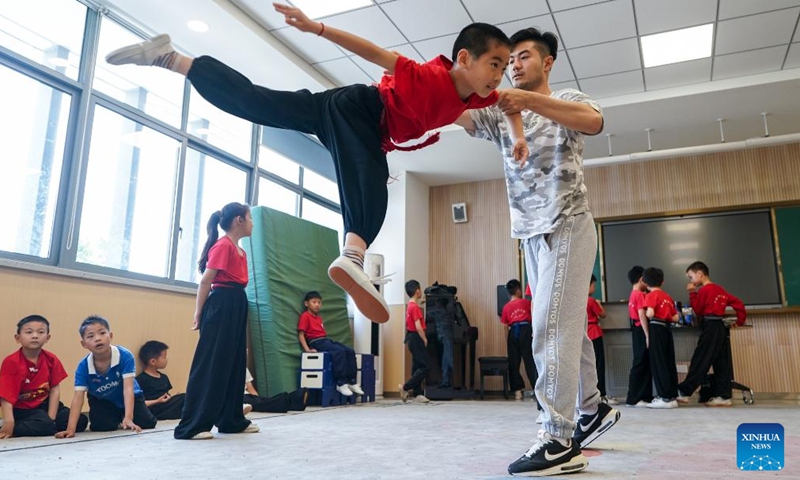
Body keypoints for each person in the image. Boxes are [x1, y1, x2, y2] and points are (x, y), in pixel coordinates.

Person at [103, 3, 528, 325]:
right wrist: (317, 28)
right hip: (358, 108)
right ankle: (352, 258)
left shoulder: (481, 97)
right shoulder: (428, 75)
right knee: (373, 182)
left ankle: (173, 59)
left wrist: (519, 137)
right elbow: (374, 51)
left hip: (338, 112)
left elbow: (509, 106)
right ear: (465, 58)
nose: (500, 75)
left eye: (506, 67)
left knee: (258, 103)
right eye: (495, 64)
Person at [456, 27, 618, 476]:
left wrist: (527, 101)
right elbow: (456, 112)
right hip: (530, 235)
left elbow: (594, 121)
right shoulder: (499, 114)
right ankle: (593, 408)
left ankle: (557, 439)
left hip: (568, 222)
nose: (513, 66)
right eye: (509, 61)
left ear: (546, 63)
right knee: (568, 328)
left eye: (523, 57)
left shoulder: (565, 99)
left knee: (548, 329)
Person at [174, 202, 258, 440]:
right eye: (250, 218)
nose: (252, 223)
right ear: (238, 220)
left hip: (236, 304)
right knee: (211, 365)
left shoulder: (240, 250)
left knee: (234, 364)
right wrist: (198, 313)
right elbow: (205, 281)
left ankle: (231, 420)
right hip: (221, 304)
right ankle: (192, 426)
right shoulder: (223, 246)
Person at [56, 316, 157, 437]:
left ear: (111, 336)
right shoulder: (83, 367)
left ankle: (126, 415)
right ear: (84, 344)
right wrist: (70, 429)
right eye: (90, 336)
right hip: (102, 399)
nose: (97, 339)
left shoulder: (124, 355)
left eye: (102, 333)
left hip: (130, 396)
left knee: (147, 423)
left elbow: (128, 388)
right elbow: (78, 398)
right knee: (101, 427)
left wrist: (129, 417)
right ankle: (116, 416)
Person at [0, 315, 87, 438]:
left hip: (45, 404)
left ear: (47, 337)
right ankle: (17, 427)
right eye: (29, 332)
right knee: (45, 425)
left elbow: (55, 389)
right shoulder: (12, 362)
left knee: (80, 420)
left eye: (40, 332)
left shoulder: (51, 359)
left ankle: (47, 426)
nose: (35, 335)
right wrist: (9, 422)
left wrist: (51, 417)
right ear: (17, 338)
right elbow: (6, 396)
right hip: (24, 409)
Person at [678, 261, 746, 407]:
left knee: (701, 359)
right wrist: (739, 322)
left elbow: (698, 309)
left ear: (699, 274)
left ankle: (684, 392)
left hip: (710, 326)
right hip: (720, 326)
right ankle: (724, 396)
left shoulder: (704, 290)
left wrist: (691, 293)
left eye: (691, 277)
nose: (690, 281)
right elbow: (739, 304)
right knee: (721, 362)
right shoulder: (720, 289)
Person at [298, 291, 364, 398]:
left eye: (319, 302)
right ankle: (341, 383)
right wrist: (307, 349)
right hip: (316, 341)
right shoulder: (305, 316)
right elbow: (301, 334)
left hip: (325, 340)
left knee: (349, 351)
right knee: (339, 352)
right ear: (307, 304)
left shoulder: (318, 318)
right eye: (314, 302)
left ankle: (352, 381)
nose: (317, 305)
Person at [642, 268, 680, 409]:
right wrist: (666, 316)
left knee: (658, 362)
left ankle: (664, 398)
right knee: (669, 361)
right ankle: (672, 396)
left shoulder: (651, 295)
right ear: (662, 281)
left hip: (656, 329)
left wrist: (648, 312)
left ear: (645, 283)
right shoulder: (667, 296)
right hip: (667, 329)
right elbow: (676, 317)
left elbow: (650, 313)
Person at [500, 279, 538, 405]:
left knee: (514, 362)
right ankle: (536, 388)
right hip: (526, 330)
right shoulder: (526, 303)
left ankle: (517, 391)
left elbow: (505, 326)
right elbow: (534, 318)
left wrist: (507, 340)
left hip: (513, 332)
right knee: (530, 361)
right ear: (518, 290)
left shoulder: (506, 307)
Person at [136, 341, 187, 420]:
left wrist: (172, 398)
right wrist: (157, 401)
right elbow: (138, 403)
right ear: (153, 361)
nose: (166, 360)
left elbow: (166, 395)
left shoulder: (164, 377)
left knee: (187, 396)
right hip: (154, 409)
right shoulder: (141, 379)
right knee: (183, 398)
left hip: (166, 406)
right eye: (164, 357)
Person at [625, 266, 653, 407]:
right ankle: (636, 398)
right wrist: (648, 335)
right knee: (641, 363)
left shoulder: (633, 294)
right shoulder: (640, 295)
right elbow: (642, 315)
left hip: (636, 330)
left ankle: (644, 396)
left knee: (641, 362)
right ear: (641, 279)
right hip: (641, 329)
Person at [587, 275, 617, 405]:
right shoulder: (591, 301)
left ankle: (589, 396)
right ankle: (602, 394)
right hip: (594, 333)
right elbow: (602, 315)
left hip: (584, 335)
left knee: (587, 367)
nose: (594, 288)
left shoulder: (576, 300)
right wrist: (599, 304)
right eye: (593, 285)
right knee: (599, 364)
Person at [399, 280, 430, 404]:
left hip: (410, 339)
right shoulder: (415, 308)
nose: (421, 291)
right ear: (417, 291)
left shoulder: (410, 306)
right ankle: (405, 387)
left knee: (417, 365)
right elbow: (418, 326)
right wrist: (424, 339)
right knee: (425, 366)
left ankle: (417, 394)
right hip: (416, 338)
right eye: (420, 289)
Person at [243, 367, 308, 413]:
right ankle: (291, 399)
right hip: (238, 398)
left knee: (264, 401)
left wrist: (258, 398)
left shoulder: (244, 367)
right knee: (262, 403)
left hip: (247, 396)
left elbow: (250, 388)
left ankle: (294, 403)